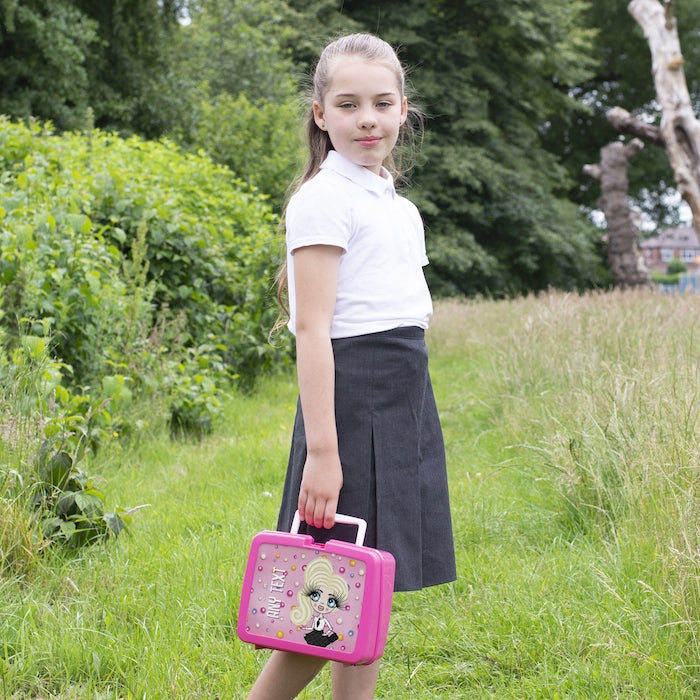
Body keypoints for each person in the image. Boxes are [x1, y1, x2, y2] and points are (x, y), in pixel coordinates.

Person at [246, 32, 456, 700]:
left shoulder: (399, 206)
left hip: (402, 403)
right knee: (329, 601)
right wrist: (323, 453)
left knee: (370, 594)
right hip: (349, 406)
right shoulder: (322, 199)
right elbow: (313, 330)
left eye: (382, 103)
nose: (368, 119)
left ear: (402, 110)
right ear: (320, 114)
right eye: (348, 104)